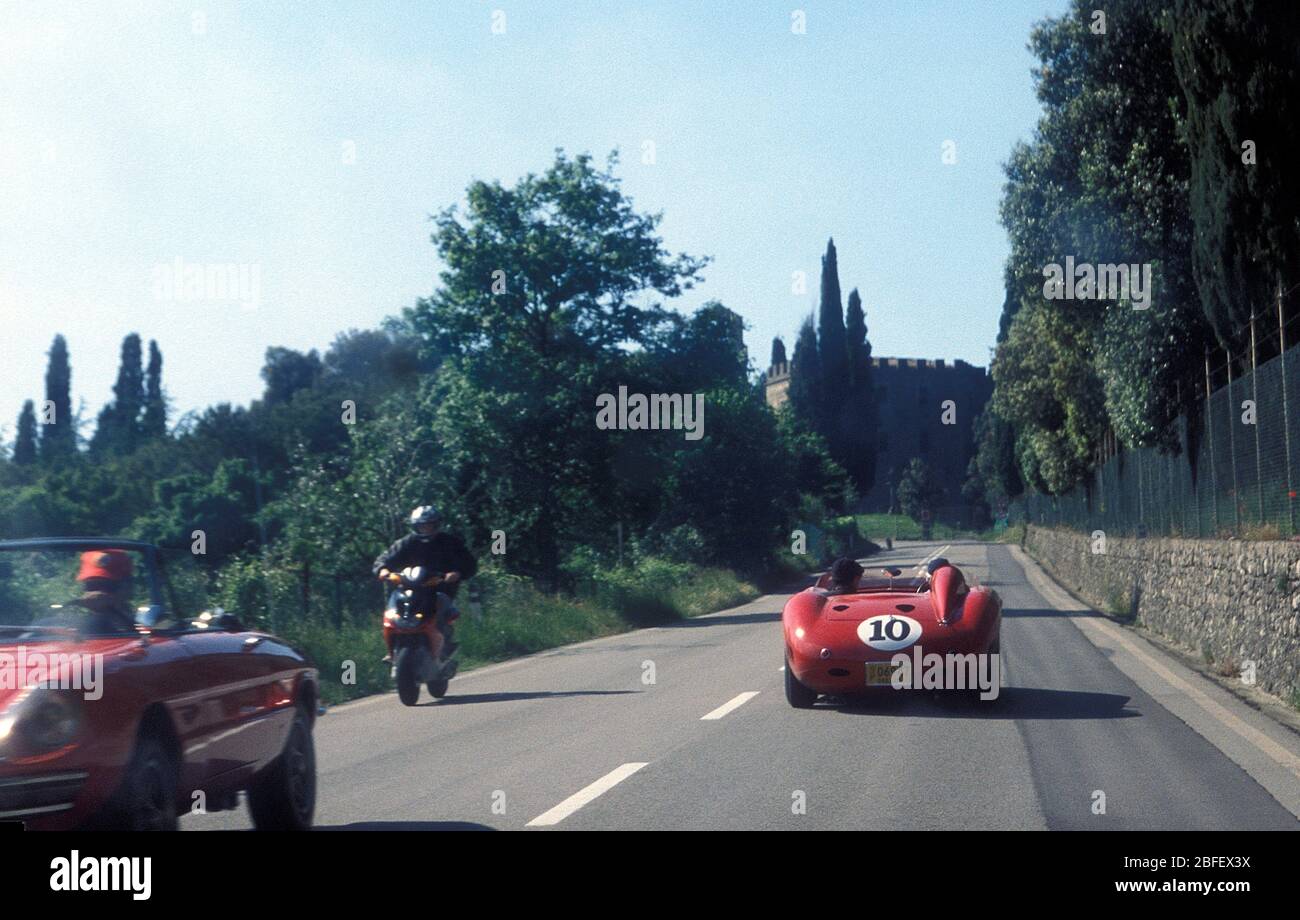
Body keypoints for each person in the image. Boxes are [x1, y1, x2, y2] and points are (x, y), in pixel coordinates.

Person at [373, 506, 477, 660]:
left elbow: (469, 563)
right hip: (409, 588)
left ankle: (445, 646)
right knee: (393, 609)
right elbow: (385, 557)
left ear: (437, 525)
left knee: (442, 609)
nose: (426, 529)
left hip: (440, 589)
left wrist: (457, 573)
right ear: (415, 526)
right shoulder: (406, 542)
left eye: (430, 525)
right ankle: (393, 647)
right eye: (422, 525)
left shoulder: (450, 542)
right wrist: (382, 569)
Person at [72, 549, 138, 634]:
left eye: (107, 586)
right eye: (91, 586)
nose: (97, 594)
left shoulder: (143, 620)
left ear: (127, 587)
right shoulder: (70, 620)